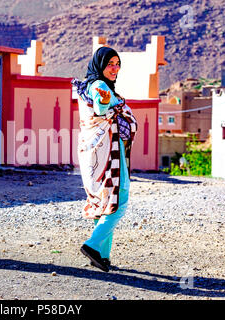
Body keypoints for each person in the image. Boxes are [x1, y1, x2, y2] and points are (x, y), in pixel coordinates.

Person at [72, 46, 138, 272]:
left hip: (95, 151)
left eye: (117, 64)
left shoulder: (92, 85)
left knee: (104, 202)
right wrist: (114, 105)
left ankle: (102, 256)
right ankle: (91, 245)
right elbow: (101, 110)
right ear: (100, 64)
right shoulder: (99, 86)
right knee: (119, 201)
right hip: (109, 150)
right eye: (110, 63)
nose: (115, 68)